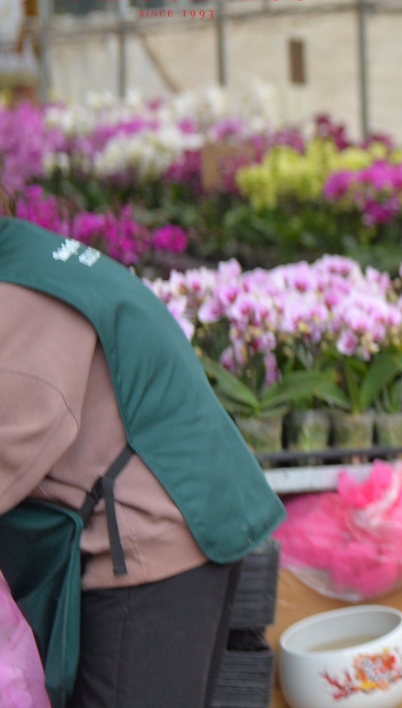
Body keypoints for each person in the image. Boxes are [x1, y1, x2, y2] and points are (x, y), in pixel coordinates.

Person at [0, 215, 285, 708]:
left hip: (152, 539)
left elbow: (17, 437)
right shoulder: (29, 255)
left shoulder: (20, 293)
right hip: (184, 504)